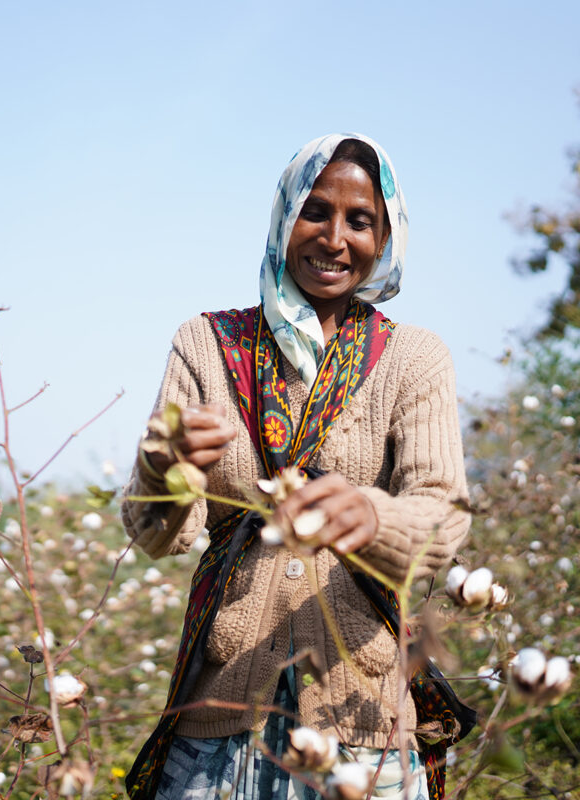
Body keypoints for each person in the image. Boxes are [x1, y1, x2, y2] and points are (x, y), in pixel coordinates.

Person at [121, 134, 472, 800]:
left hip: (362, 717)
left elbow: (442, 516)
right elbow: (154, 535)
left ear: (384, 236)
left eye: (360, 221)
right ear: (285, 220)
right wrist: (164, 469)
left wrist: (372, 515)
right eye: (316, 212)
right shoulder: (206, 343)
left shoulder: (414, 358)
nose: (335, 238)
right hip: (220, 720)